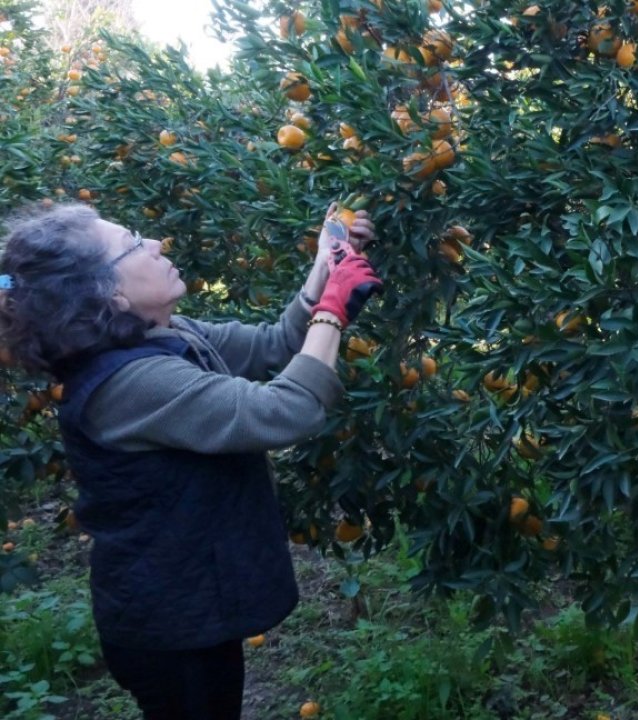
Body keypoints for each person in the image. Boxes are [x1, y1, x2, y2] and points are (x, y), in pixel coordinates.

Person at [0, 202, 381, 720]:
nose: (155, 244)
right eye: (133, 244)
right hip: (170, 622)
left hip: (193, 602)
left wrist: (326, 267)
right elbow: (281, 412)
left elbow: (275, 345)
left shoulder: (164, 335)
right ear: (108, 293)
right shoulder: (128, 384)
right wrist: (332, 310)